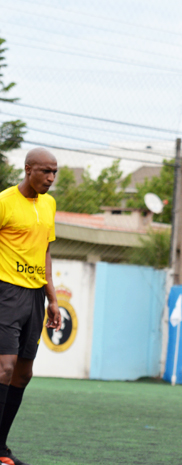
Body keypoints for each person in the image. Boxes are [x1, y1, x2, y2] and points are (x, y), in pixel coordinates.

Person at [0, 147, 61, 465]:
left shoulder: (49, 204)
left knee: (23, 373)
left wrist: (53, 299)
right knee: (4, 368)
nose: (50, 178)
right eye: (44, 171)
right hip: (6, 292)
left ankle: (0, 448)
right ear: (27, 169)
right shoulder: (4, 201)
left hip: (36, 296)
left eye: (54, 172)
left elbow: (45, 253)